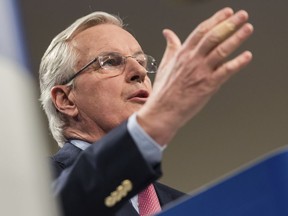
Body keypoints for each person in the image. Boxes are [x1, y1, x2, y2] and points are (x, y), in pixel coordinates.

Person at [39, 7, 253, 216]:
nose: (140, 72)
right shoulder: (32, 182)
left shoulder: (189, 206)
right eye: (111, 62)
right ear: (65, 99)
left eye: (141, 62)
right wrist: (151, 125)